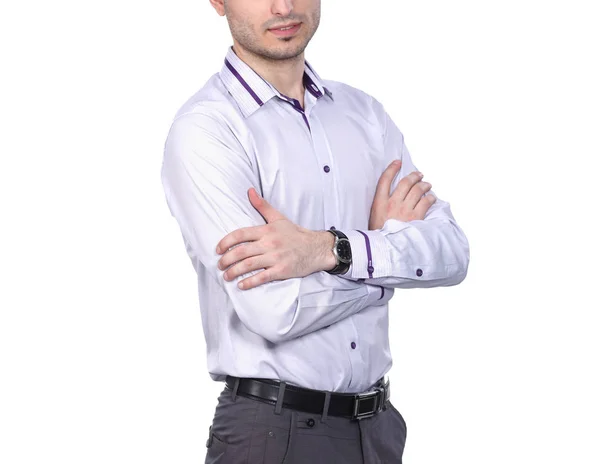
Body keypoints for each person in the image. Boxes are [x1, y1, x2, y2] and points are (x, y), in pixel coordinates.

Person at [160, 0, 470, 462]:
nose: (283, 6)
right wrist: (383, 262)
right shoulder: (207, 131)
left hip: (378, 429)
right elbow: (274, 311)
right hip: (273, 434)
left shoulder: (364, 115)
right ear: (218, 2)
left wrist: (331, 249)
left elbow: (451, 253)